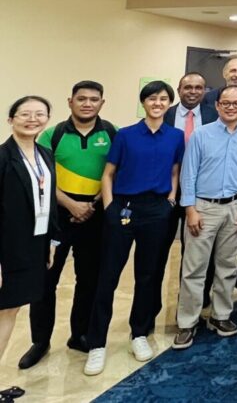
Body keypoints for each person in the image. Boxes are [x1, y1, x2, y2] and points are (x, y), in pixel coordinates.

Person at [85, 81, 185, 375]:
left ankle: (139, 333)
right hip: (124, 208)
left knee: (148, 275)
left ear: (169, 104)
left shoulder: (176, 136)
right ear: (143, 102)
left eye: (163, 99)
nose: (157, 103)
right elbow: (108, 174)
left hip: (157, 210)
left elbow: (175, 170)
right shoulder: (126, 135)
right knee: (108, 276)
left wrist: (170, 199)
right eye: (152, 98)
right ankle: (96, 344)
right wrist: (109, 209)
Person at [20, 82, 116, 369]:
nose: (87, 103)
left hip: (96, 214)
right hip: (57, 216)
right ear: (70, 101)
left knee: (88, 279)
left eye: (94, 99)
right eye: (81, 99)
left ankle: (79, 335)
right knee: (45, 281)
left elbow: (115, 173)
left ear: (102, 102)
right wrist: (71, 205)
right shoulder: (53, 134)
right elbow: (41, 176)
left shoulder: (112, 133)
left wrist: (93, 203)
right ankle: (40, 341)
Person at [172, 85, 237, 349]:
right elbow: (188, 174)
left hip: (236, 207)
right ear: (218, 106)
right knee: (194, 269)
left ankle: (221, 316)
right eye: (226, 103)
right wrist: (189, 209)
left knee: (228, 267)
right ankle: (187, 322)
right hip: (203, 208)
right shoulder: (201, 134)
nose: (231, 107)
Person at [1, 96, 60, 400]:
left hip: (34, 244)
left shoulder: (45, 155)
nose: (32, 119)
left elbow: (47, 202)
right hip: (7, 250)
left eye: (40, 114)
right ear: (11, 119)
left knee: (10, 311)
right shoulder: (2, 157)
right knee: (4, 313)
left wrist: (50, 242)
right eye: (25, 114)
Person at [159, 71, 218, 329]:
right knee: (159, 251)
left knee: (197, 251)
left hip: (203, 192)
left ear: (205, 90)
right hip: (168, 192)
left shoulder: (214, 114)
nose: (193, 91)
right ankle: (152, 310)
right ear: (179, 89)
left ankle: (196, 304)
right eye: (187, 87)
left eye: (198, 87)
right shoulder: (165, 114)